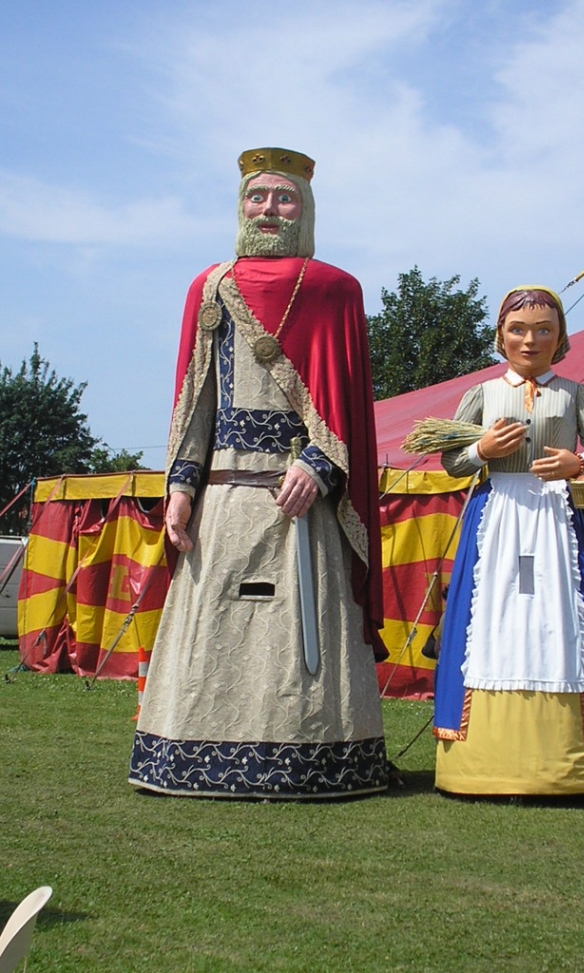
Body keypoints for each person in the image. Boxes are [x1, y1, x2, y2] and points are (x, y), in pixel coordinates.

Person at [129, 147, 388, 799]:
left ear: (305, 206)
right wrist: (181, 486)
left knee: (303, 631)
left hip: (305, 502)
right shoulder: (210, 287)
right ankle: (188, 752)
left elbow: (346, 401)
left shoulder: (335, 289)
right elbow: (196, 398)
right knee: (214, 627)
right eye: (257, 196)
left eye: (283, 197)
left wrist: (320, 463)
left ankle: (317, 757)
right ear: (240, 204)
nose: (269, 209)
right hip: (224, 500)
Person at [433, 286, 584, 797]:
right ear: (501, 335)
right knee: (492, 619)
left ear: (560, 335)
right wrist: (481, 447)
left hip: (558, 519)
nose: (530, 339)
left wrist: (578, 463)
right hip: (497, 516)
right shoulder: (481, 394)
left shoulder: (577, 395)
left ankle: (564, 758)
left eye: (543, 329)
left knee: (559, 618)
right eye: (518, 329)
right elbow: (452, 463)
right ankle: (481, 760)